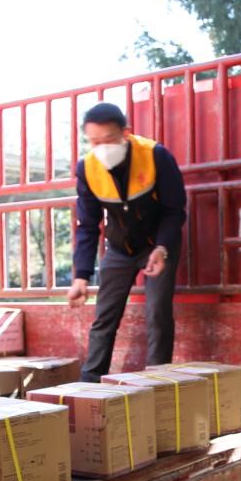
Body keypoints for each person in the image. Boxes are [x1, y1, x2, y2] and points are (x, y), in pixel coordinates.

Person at [67, 103, 187, 381]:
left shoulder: (156, 155)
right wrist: (81, 276)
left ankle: (157, 380)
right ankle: (90, 383)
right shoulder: (87, 168)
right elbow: (87, 226)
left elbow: (174, 211)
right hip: (120, 249)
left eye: (108, 139)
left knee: (157, 312)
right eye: (94, 142)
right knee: (105, 315)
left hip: (157, 245)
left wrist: (162, 248)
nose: (102, 148)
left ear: (125, 133)